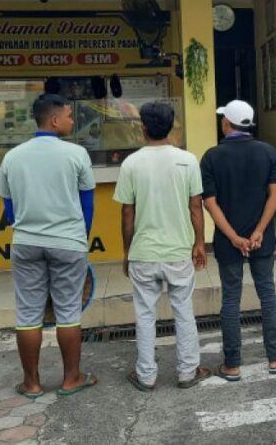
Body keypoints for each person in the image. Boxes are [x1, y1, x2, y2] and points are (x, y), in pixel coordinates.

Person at [0, 93, 98, 398]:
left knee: (28, 314)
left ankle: (32, 382)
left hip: (26, 242)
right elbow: (87, 205)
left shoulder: (12, 157)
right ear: (54, 120)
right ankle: (71, 379)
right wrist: (80, 237)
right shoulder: (77, 154)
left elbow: (9, 209)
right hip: (68, 242)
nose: (72, 120)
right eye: (69, 116)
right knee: (68, 312)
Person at [114, 101, 211, 391]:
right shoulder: (187, 160)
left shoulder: (131, 163)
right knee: (183, 310)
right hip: (179, 251)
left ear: (142, 127)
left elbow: (127, 212)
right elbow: (196, 206)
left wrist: (127, 251)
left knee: (145, 314)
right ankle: (187, 372)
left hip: (143, 253)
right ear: (171, 127)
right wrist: (199, 244)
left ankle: (146, 375)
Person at [201, 100, 276, 380]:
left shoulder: (212, 156)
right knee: (267, 294)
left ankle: (232, 364)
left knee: (231, 299)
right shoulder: (268, 152)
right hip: (261, 239)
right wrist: (259, 231)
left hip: (229, 242)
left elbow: (210, 202)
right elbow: (275, 194)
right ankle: (275, 358)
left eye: (222, 119)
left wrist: (234, 237)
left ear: (227, 123)